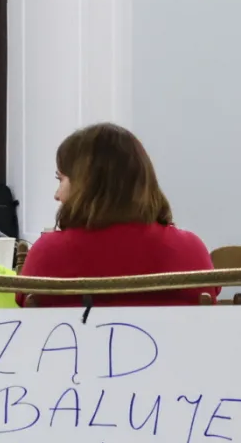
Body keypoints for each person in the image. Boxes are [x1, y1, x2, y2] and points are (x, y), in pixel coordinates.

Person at [19, 122, 216, 307]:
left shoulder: (47, 253)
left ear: (86, 185)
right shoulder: (191, 250)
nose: (57, 195)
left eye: (61, 179)